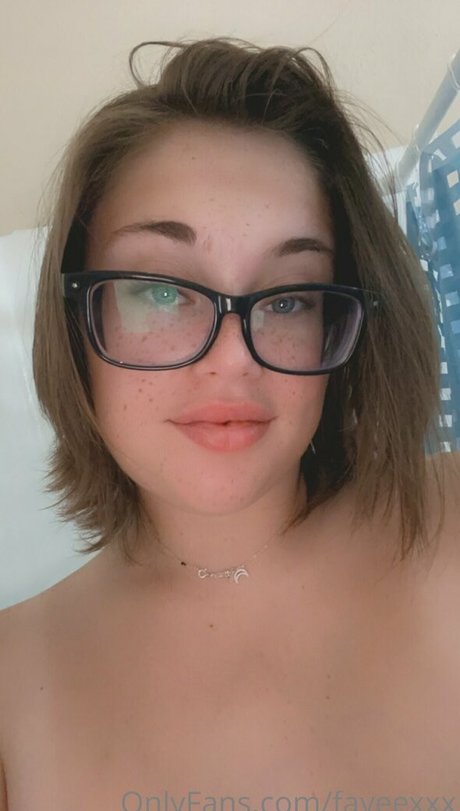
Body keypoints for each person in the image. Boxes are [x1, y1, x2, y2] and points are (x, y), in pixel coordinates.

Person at [1, 36, 460, 810]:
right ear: (76, 323)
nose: (233, 359)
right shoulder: (14, 690)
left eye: (289, 297)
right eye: (162, 290)